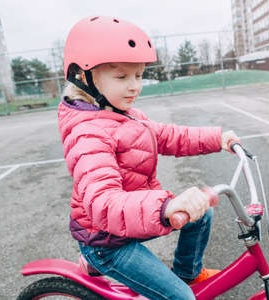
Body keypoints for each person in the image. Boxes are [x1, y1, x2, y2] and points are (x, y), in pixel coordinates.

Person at [58, 16, 239, 300]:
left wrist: (217, 139)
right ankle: (96, 261)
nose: (134, 86)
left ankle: (186, 274)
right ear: (84, 78)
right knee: (183, 299)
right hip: (106, 241)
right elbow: (103, 204)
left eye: (139, 75)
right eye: (122, 77)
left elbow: (169, 136)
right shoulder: (88, 134)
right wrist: (165, 206)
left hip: (126, 223)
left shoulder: (125, 114)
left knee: (201, 215)